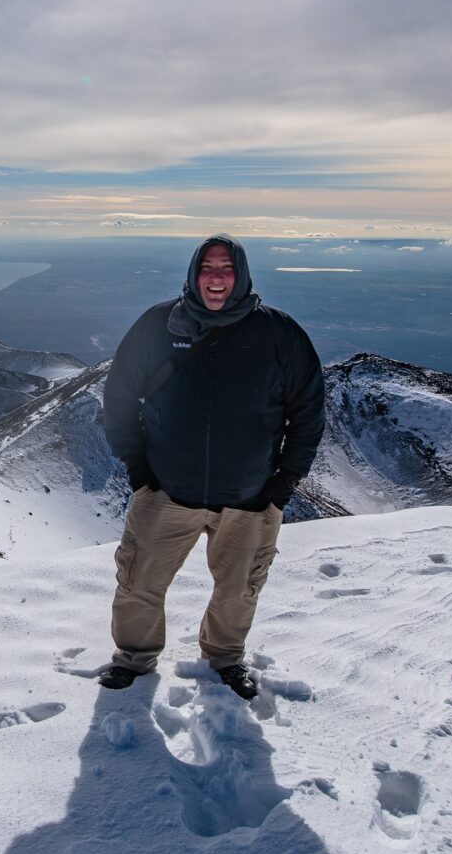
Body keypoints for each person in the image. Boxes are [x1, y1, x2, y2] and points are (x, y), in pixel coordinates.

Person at [99, 233, 325, 699]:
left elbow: (308, 412)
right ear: (193, 274)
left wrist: (281, 486)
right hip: (166, 491)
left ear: (240, 276)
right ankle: (134, 659)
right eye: (208, 268)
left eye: (226, 269)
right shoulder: (158, 326)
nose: (216, 278)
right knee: (139, 582)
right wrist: (139, 471)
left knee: (238, 590)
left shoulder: (278, 334)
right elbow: (120, 396)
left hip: (249, 496)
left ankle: (225, 659)